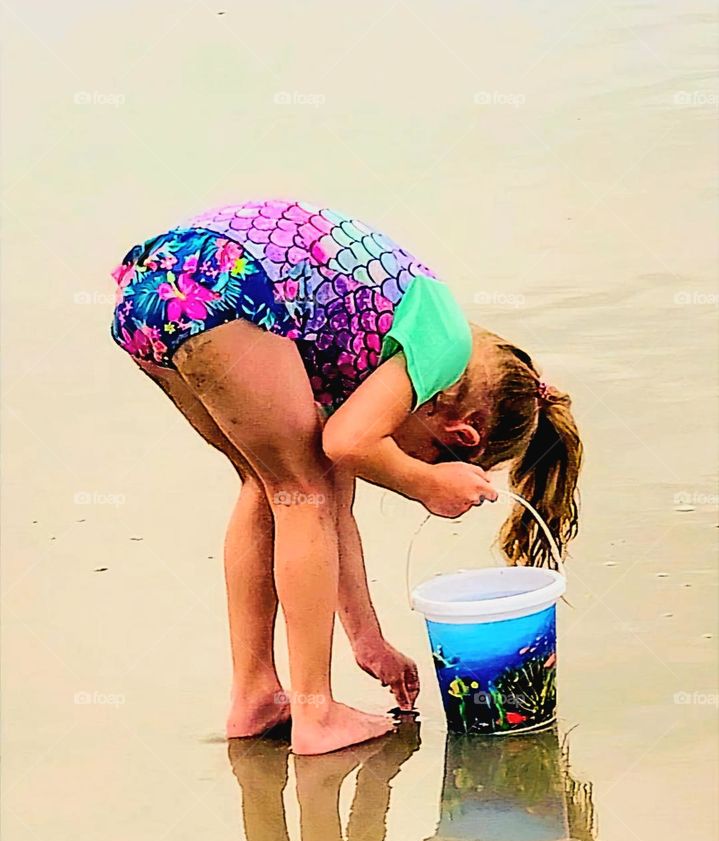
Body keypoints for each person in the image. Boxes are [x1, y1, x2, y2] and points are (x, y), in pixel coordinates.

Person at [111, 198, 583, 754]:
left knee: (270, 486)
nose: (409, 457)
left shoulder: (366, 346)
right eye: (432, 457)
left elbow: (338, 496)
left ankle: (256, 694)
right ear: (462, 435)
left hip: (154, 287)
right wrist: (426, 483)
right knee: (300, 492)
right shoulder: (446, 343)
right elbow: (348, 444)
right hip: (227, 282)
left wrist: (369, 640)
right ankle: (316, 717)